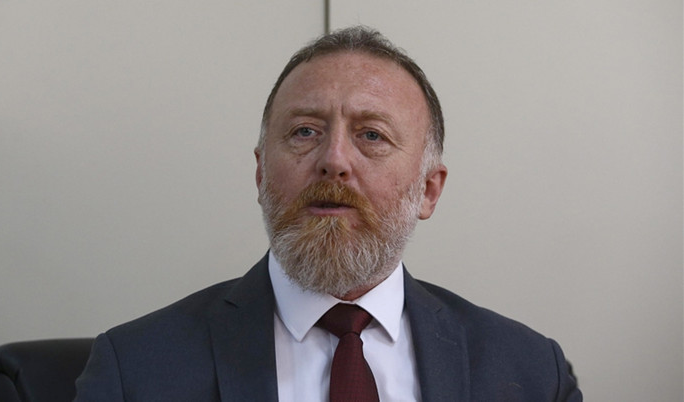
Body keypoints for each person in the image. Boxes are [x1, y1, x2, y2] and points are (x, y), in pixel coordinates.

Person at [74, 26, 582, 401]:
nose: (334, 160)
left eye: (371, 135)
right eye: (305, 132)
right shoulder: (135, 370)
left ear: (429, 191)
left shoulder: (532, 372)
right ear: (260, 174)